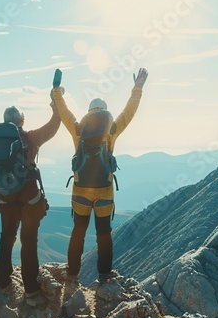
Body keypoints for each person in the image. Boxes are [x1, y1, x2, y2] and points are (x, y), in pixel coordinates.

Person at [52, 67, 148, 283]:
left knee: (78, 231)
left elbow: (64, 112)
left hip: (80, 191)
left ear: (88, 112)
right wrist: (137, 89)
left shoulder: (78, 129)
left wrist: (56, 90)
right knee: (103, 233)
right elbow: (128, 113)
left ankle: (72, 274)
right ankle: (104, 275)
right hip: (104, 190)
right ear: (104, 112)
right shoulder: (111, 129)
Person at [0, 76, 60, 302]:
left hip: (4, 197)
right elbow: (55, 123)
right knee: (29, 240)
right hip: (29, 199)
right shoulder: (31, 137)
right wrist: (55, 99)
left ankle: (3, 282)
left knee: (6, 236)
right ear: (22, 120)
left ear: (4, 121)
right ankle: (31, 291)